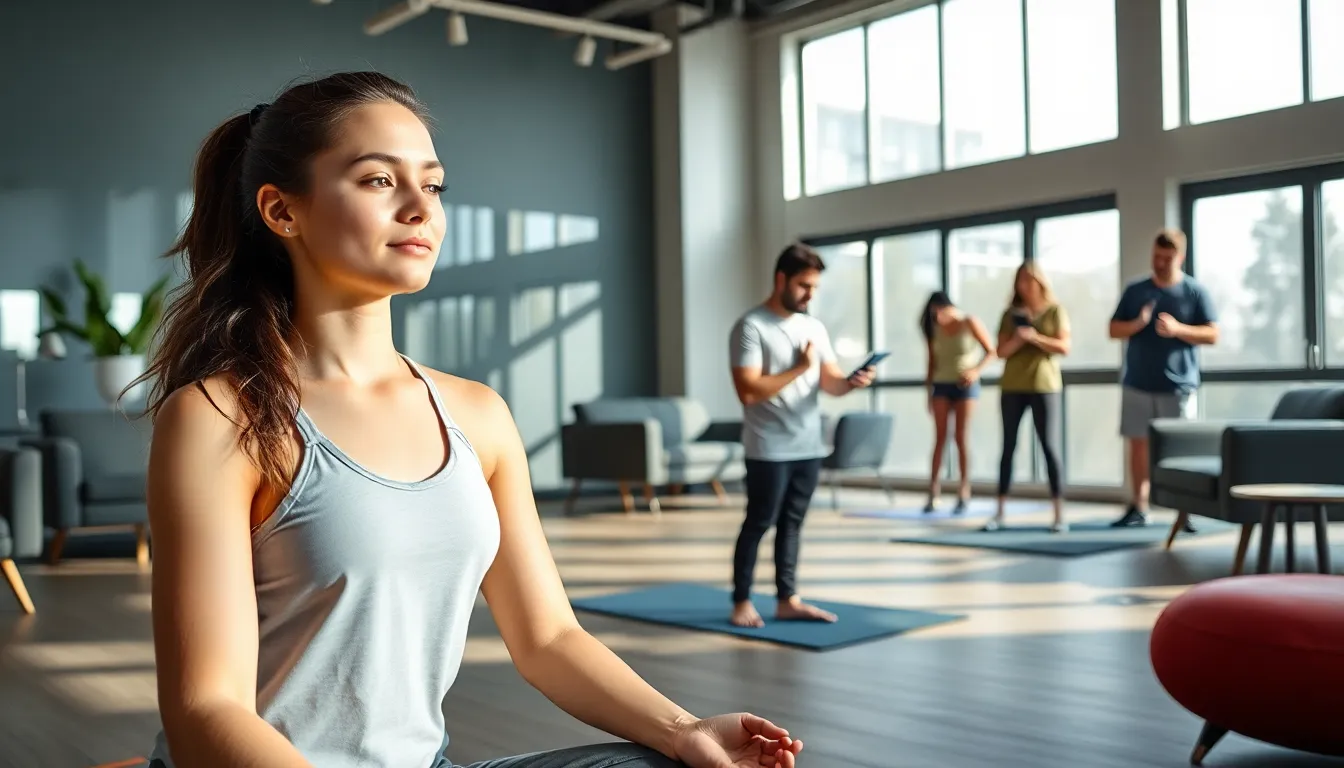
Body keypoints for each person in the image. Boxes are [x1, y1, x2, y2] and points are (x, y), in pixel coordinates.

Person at [136, 72, 805, 768]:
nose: (419, 209)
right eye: (377, 181)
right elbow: (204, 712)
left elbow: (547, 637)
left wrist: (681, 728)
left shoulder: (477, 415)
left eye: (432, 185)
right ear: (282, 211)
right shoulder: (218, 418)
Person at [727, 244, 875, 629]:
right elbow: (748, 391)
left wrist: (851, 383)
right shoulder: (751, 326)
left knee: (792, 524)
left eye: (815, 287)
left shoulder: (813, 327)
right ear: (781, 280)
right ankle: (741, 600)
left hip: (808, 445)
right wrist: (799, 367)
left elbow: (830, 382)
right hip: (767, 447)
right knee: (759, 522)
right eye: (804, 285)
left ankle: (786, 599)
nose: (810, 294)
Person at [1108, 228, 1218, 528]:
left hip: (1178, 386)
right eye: (1156, 257)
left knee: (1181, 451)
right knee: (1138, 445)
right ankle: (1139, 506)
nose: (1160, 263)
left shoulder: (1195, 292)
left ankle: (1185, 512)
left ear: (1180, 257)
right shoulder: (1136, 290)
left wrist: (1179, 329)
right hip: (1138, 383)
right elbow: (1113, 329)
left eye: (1167, 258)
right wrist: (1138, 323)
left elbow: (1212, 334)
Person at [983, 263, 1071, 533]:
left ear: (1039, 282)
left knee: (1049, 447)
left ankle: (1058, 514)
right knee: (1008, 447)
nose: (1025, 286)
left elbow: (1064, 346)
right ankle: (999, 512)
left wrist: (1035, 337)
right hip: (1012, 387)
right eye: (1020, 281)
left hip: (1045, 386)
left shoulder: (1055, 311)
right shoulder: (1010, 314)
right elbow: (999, 351)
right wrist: (1019, 338)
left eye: (1029, 280)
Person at [920, 292, 995, 515]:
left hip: (965, 386)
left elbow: (992, 351)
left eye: (939, 312)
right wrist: (928, 394)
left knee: (961, 437)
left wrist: (975, 371)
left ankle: (964, 490)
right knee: (940, 438)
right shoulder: (934, 329)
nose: (938, 317)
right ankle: (933, 491)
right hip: (941, 386)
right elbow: (931, 363)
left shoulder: (969, 321)